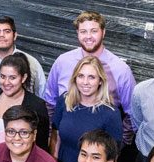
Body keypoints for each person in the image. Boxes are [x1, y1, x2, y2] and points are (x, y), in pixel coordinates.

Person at [44, 10, 136, 144]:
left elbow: (132, 113)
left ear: (103, 32)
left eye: (93, 31)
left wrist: (119, 144)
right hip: (65, 143)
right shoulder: (62, 62)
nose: (88, 36)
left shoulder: (120, 70)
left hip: (100, 150)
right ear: (77, 33)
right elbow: (50, 102)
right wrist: (51, 135)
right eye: (83, 32)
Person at [51, 56, 123, 162]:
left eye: (91, 77)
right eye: (81, 76)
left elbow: (113, 159)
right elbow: (55, 137)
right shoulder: (65, 101)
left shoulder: (111, 114)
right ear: (75, 78)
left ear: (100, 81)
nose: (85, 82)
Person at [0, 52, 49, 150]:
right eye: (2, 76)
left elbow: (41, 146)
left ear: (23, 78)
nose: (6, 82)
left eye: (12, 78)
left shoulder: (37, 105)